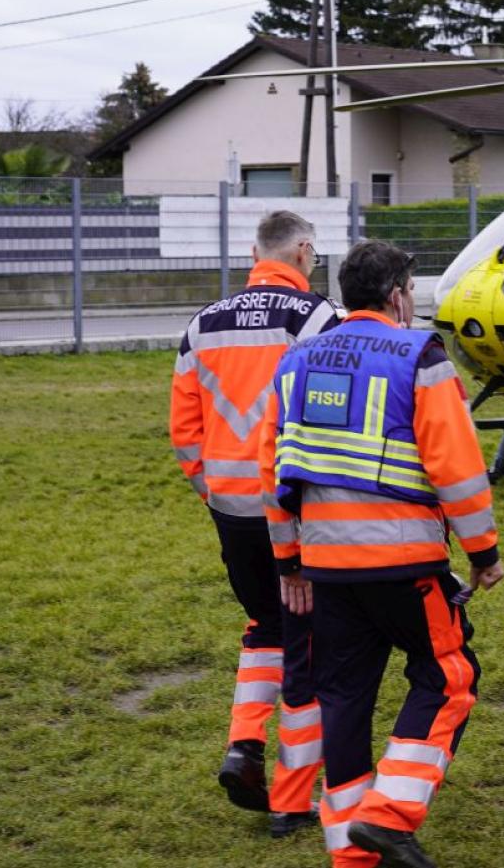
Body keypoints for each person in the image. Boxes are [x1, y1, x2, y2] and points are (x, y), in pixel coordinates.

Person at [262, 241, 504, 868]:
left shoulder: (295, 359)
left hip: (323, 565)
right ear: (399, 295)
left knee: (342, 698)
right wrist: (483, 551)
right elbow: (458, 468)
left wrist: (289, 561)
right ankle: (389, 814)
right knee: (450, 677)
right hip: (404, 564)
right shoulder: (418, 355)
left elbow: (276, 468)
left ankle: (350, 852)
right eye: (413, 291)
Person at [169, 209, 336, 835]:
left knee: (265, 623)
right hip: (298, 507)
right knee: (309, 641)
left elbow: (184, 427)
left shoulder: (203, 323)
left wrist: (210, 488)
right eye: (313, 254)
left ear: (253, 252)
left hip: (231, 507)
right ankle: (294, 796)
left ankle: (244, 745)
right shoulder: (317, 317)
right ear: (301, 251)